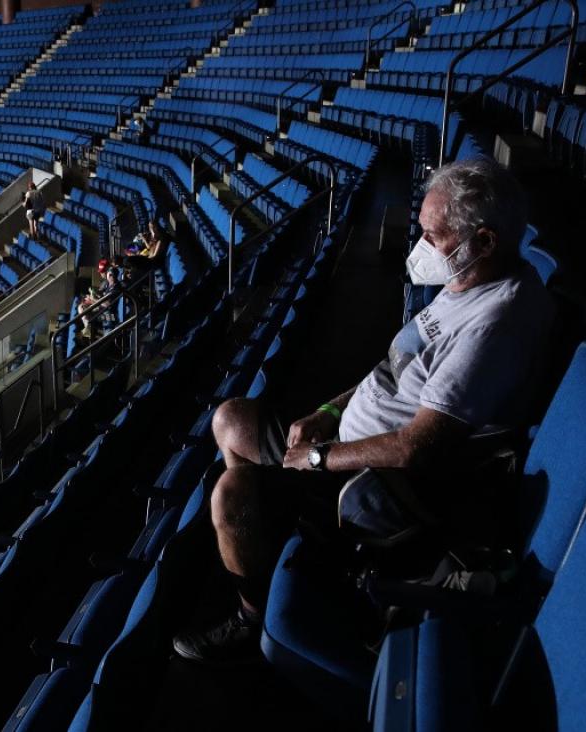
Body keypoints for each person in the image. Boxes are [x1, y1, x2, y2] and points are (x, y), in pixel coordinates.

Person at [171, 159, 555, 662]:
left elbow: (419, 447)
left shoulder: (495, 323)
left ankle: (253, 612)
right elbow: (395, 365)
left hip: (375, 481)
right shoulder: (466, 282)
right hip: (341, 441)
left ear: (482, 242)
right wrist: (329, 411)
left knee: (231, 492)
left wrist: (316, 459)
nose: (421, 248)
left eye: (433, 236)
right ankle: (270, 540)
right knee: (231, 419)